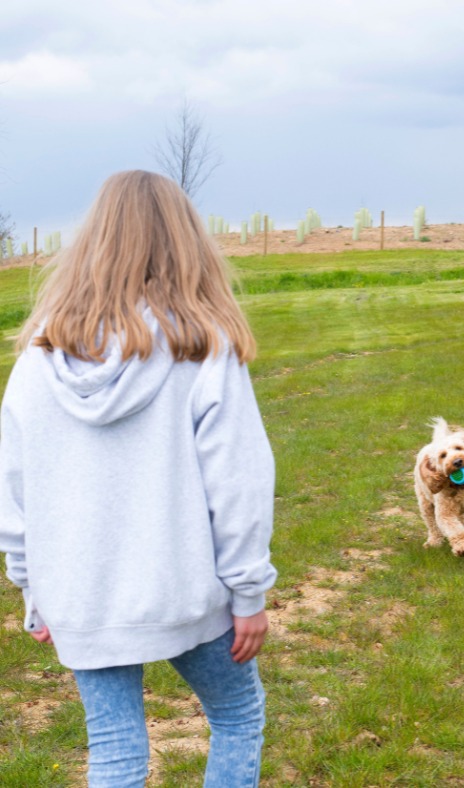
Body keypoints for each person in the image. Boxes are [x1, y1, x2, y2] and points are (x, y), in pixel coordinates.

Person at [0, 170, 277, 787]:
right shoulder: (204, 347)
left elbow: (12, 490)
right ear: (186, 241)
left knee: (115, 749)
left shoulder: (36, 358)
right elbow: (240, 483)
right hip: (184, 591)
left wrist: (32, 588)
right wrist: (249, 591)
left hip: (79, 596)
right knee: (237, 715)